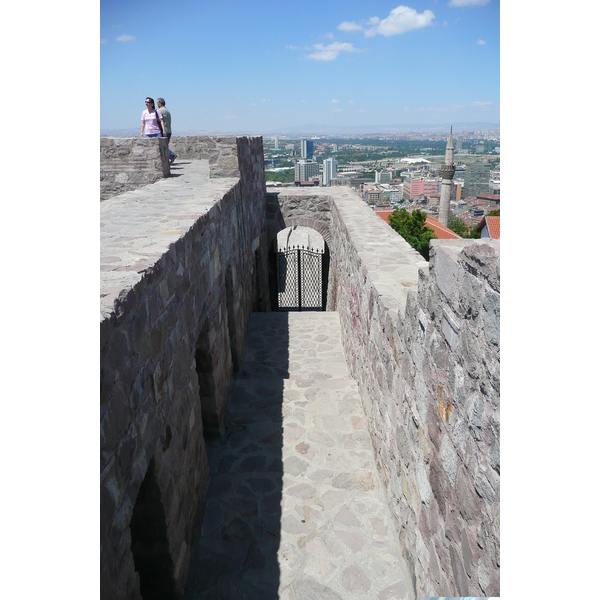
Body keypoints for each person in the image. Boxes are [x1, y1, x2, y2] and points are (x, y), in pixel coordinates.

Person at [157, 97, 177, 164]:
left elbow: (158, 120)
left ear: (160, 103)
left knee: (163, 146)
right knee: (165, 145)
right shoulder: (167, 111)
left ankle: (172, 155)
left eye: (157, 103)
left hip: (164, 130)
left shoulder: (160, 111)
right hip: (169, 130)